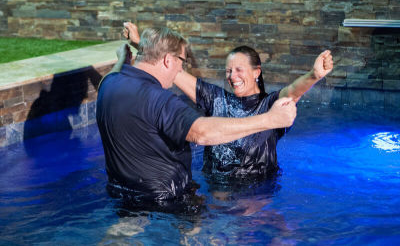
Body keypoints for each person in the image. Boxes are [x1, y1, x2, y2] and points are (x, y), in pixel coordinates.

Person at [96, 26, 297, 202]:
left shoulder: (108, 84)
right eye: (182, 61)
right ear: (167, 60)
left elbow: (113, 74)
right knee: (201, 231)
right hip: (167, 199)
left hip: (121, 191)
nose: (180, 69)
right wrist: (269, 119)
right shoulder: (161, 100)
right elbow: (202, 133)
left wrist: (123, 59)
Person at [121, 22, 334, 180]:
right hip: (216, 193)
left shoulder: (270, 106)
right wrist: (142, 44)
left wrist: (314, 76)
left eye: (239, 70)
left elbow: (293, 92)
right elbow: (173, 72)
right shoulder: (215, 98)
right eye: (228, 71)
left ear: (256, 72)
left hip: (257, 195)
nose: (232, 76)